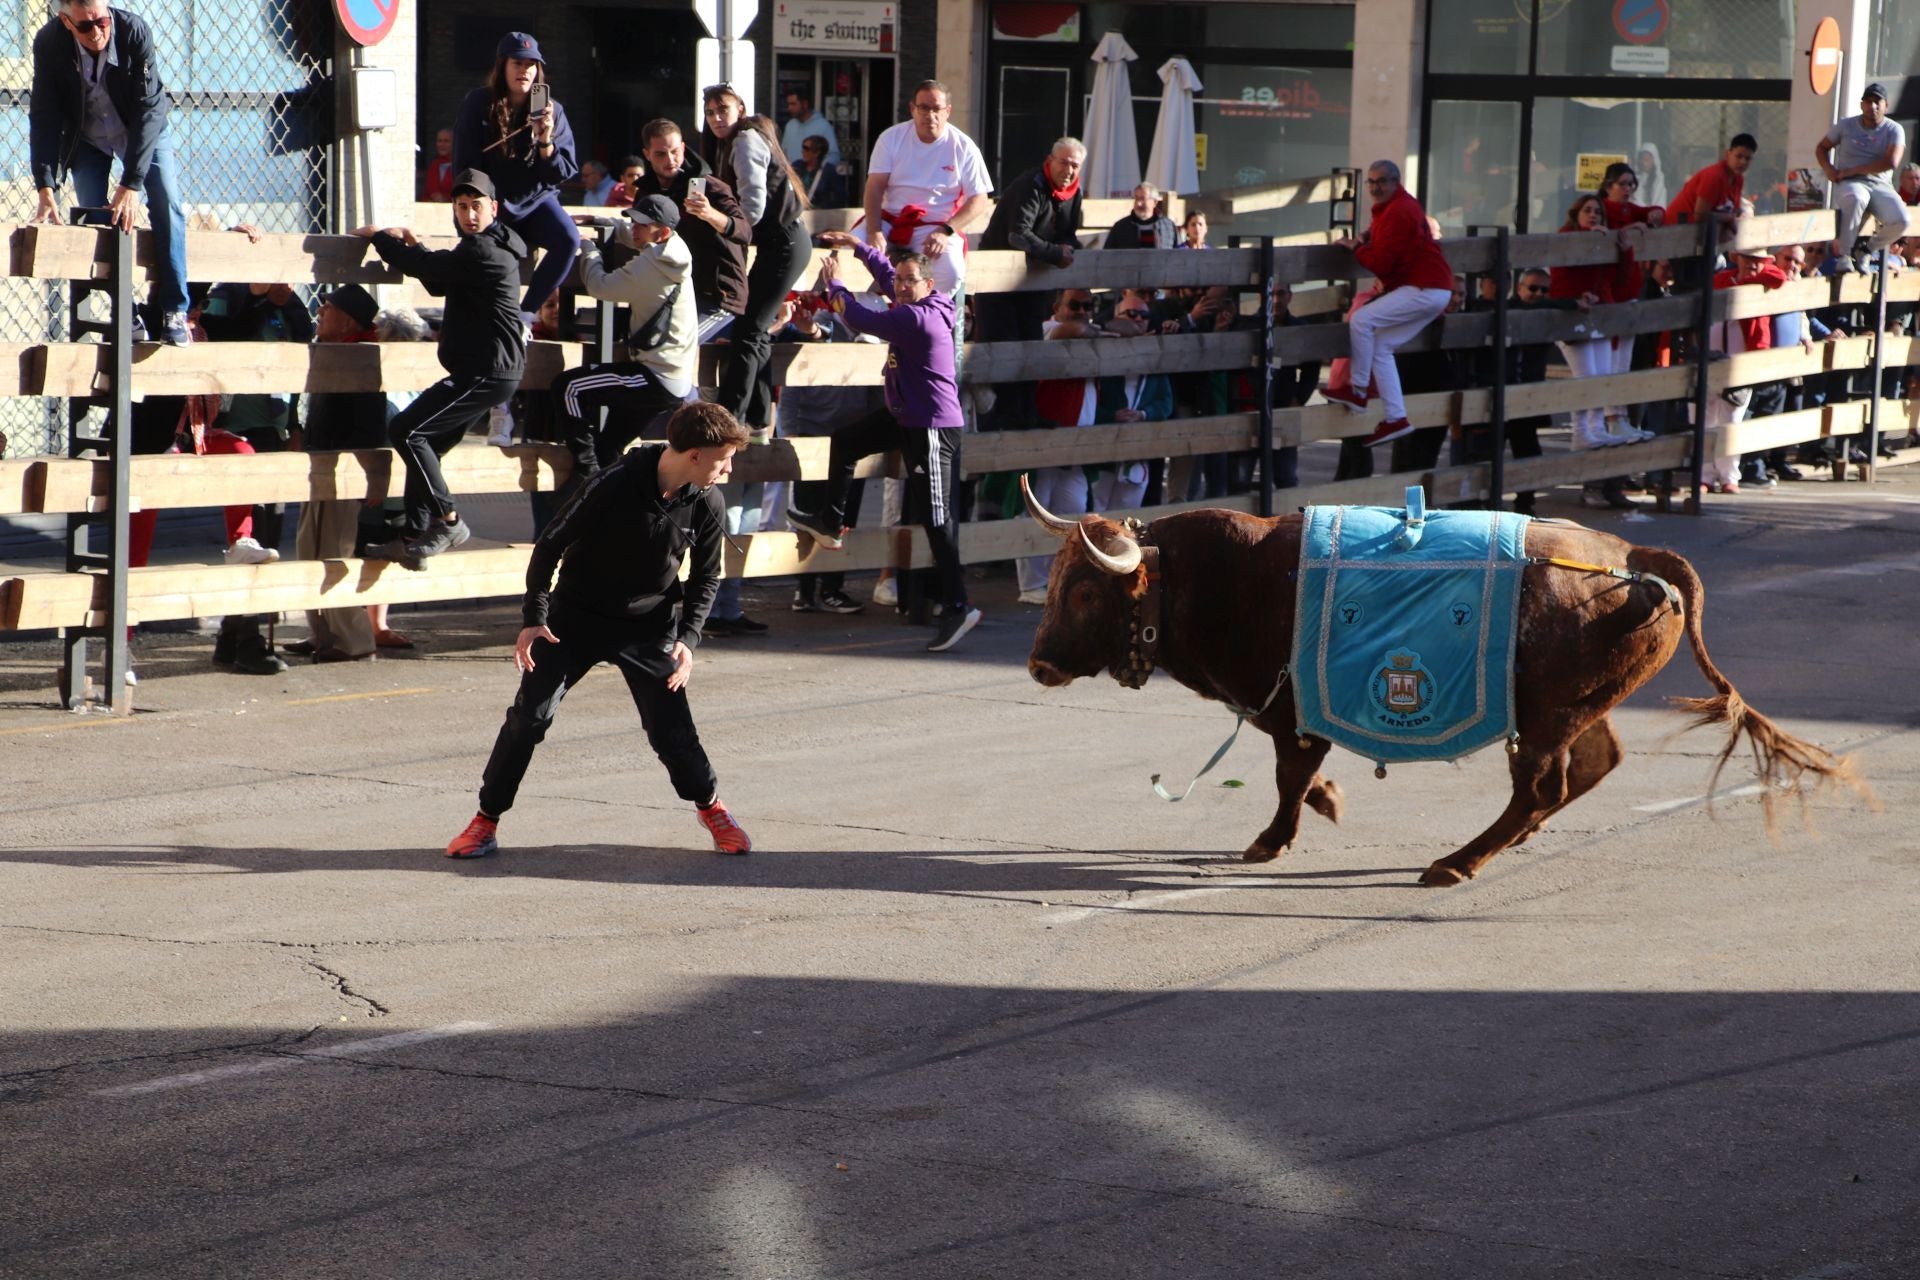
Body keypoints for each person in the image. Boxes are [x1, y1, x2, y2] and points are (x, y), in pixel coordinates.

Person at [444, 402, 756, 861]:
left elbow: (707, 576)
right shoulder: (612, 483)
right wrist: (535, 617)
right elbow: (550, 544)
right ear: (694, 455)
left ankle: (712, 808)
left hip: (649, 625)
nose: (728, 471)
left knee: (671, 730)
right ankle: (485, 820)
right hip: (576, 618)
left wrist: (687, 640)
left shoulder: (707, 499)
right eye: (723, 460)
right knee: (529, 718)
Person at [786, 232, 982, 653]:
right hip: (905, 416)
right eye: (900, 281)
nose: (902, 286)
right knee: (845, 441)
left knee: (937, 519)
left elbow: (859, 318)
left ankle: (958, 605)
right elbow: (889, 274)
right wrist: (859, 248)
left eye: (911, 281)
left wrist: (836, 284)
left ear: (929, 284)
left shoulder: (917, 318)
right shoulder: (917, 300)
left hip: (930, 427)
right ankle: (830, 522)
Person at [354, 168, 527, 567]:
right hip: (482, 371)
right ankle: (413, 535)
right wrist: (417, 247)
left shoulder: (483, 249)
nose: (469, 214)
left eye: (476, 206)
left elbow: (429, 269)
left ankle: (449, 521)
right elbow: (438, 280)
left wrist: (379, 237)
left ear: (494, 208)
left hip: (486, 372)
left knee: (407, 431)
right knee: (425, 443)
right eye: (462, 207)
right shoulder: (482, 247)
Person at [29, 0, 192, 345]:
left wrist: (131, 183)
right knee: (93, 214)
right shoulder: (49, 42)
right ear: (66, 22)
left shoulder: (134, 32)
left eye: (102, 21)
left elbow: (149, 108)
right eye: (85, 26)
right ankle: (125, 312)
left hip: (140, 131)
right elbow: (44, 114)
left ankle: (175, 309)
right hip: (88, 137)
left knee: (166, 201)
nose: (96, 32)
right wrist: (45, 184)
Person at [550, 194, 697, 488]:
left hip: (654, 377)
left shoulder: (650, 267)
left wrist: (589, 249)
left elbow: (599, 286)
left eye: (642, 224)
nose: (634, 228)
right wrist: (603, 222)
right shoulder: (676, 249)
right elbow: (638, 238)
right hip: (671, 380)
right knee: (609, 448)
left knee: (568, 387)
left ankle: (586, 471)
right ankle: (612, 497)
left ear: (662, 232)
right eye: (633, 221)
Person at [1321, 160, 1454, 450]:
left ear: (1396, 182)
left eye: (1381, 181)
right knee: (1381, 346)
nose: (1375, 187)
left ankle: (1357, 390)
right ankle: (1396, 417)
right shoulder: (1398, 205)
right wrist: (1367, 237)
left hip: (1423, 287)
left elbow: (1381, 263)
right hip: (1435, 290)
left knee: (1361, 320)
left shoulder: (1398, 211)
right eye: (1371, 182)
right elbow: (1383, 234)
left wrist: (1357, 247)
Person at [451, 32, 580, 328]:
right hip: (491, 203)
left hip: (535, 201)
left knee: (568, 238)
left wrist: (545, 140)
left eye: (530, 65)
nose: (524, 71)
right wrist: (479, 207)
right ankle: (486, 321)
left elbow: (561, 172)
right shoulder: (477, 103)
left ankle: (525, 314)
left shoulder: (552, 110)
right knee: (484, 258)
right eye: (517, 63)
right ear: (503, 67)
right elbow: (465, 166)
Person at [289, 284, 386, 663]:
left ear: (347, 321)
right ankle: (321, 634)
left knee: (333, 553)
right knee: (308, 550)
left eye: (327, 308)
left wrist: (373, 476)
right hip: (318, 465)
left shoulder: (361, 356)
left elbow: (370, 428)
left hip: (344, 471)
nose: (319, 313)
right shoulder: (329, 352)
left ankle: (353, 640)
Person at [199, 275, 315, 559]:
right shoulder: (228, 298)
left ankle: (267, 580)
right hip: (236, 423)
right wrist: (259, 301)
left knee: (273, 507)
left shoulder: (291, 310)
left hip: (275, 425)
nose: (286, 286)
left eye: (291, 281)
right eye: (278, 279)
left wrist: (294, 424)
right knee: (250, 508)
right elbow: (221, 344)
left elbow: (296, 367)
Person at [976, 137, 1085, 431]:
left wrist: (1071, 250)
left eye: (1075, 165)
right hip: (997, 282)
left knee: (1032, 348)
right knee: (1005, 349)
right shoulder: (1031, 186)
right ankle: (1005, 419)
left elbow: (1068, 233)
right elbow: (1018, 235)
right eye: (1064, 162)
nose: (1068, 170)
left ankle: (1028, 414)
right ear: (1050, 161)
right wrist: (1055, 253)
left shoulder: (1074, 193)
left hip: (1033, 283)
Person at [862, 79, 994, 304]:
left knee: (951, 271)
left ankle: (924, 315)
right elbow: (874, 187)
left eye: (936, 109)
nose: (929, 115)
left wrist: (946, 230)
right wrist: (874, 231)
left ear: (947, 111)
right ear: (912, 109)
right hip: (890, 220)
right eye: (923, 107)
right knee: (854, 250)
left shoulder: (964, 146)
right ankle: (866, 314)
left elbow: (979, 199)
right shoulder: (891, 138)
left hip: (936, 226)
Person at [632, 117, 751, 345]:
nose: (670, 160)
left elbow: (744, 231)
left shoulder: (709, 186)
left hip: (718, 297)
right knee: (641, 341)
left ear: (684, 148)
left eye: (675, 152)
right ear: (647, 154)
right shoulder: (646, 192)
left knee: (675, 344)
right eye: (660, 154)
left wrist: (710, 214)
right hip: (673, 292)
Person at [1019, 287, 1102, 603]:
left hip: (1078, 447)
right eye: (1074, 305)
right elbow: (1074, 330)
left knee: (1073, 512)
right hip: (1048, 442)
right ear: (1057, 307)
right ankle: (1031, 585)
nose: (1081, 311)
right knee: (1037, 511)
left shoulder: (1089, 335)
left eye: (1087, 305)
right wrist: (1102, 330)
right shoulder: (1050, 329)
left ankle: (1060, 579)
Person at [1551, 194, 1652, 451]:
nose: (1593, 215)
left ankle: (1597, 429)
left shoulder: (1605, 239)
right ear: (1576, 214)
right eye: (1587, 210)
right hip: (1575, 317)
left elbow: (1620, 279)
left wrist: (1624, 249)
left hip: (1600, 316)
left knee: (1603, 376)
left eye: (1597, 212)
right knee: (1586, 377)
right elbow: (1563, 278)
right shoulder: (1566, 236)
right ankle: (1580, 433)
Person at [1700, 249, 1788, 494]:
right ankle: (1705, 476)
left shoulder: (1764, 278)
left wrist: (1745, 282)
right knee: (1707, 418)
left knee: (1732, 418)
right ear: (1737, 258)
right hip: (1713, 354)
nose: (1753, 264)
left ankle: (1729, 476)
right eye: (1748, 258)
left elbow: (1778, 277)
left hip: (1742, 359)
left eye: (1759, 260)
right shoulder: (1722, 278)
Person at [1817, 83, 1908, 269]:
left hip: (1880, 184)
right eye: (1868, 101)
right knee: (1857, 198)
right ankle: (1844, 256)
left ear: (1886, 105)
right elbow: (1822, 147)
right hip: (1850, 183)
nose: (1872, 106)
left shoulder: (1894, 129)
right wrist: (1828, 169)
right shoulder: (1846, 125)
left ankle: (1867, 249)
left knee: (1902, 220)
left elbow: (1891, 162)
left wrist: (1853, 170)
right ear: (1861, 105)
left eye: (1877, 102)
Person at [1667, 133, 1754, 234]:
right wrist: (1728, 217)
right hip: (1673, 230)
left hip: (1698, 233)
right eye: (1738, 156)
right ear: (1727, 154)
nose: (1743, 162)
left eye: (1747, 158)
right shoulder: (1713, 176)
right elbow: (1700, 216)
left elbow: (1735, 211)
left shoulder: (1739, 179)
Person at [1105, 182, 1176, 250]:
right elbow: (1107, 254)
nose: (1138, 203)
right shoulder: (1120, 227)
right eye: (1136, 199)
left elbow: (1178, 252)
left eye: (1143, 199)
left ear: (1154, 202)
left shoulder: (1168, 226)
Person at [781, 88, 840, 167]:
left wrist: (818, 170)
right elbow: (783, 152)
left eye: (793, 104)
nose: (789, 108)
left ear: (805, 104)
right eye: (788, 104)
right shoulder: (790, 126)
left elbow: (833, 155)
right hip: (791, 173)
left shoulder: (823, 126)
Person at [796, 135, 849, 209]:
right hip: (797, 210)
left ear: (817, 153)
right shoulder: (797, 166)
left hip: (818, 213)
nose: (803, 152)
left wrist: (825, 207)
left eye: (806, 149)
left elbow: (841, 196)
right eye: (803, 148)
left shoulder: (828, 171)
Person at [422, 127, 456, 201]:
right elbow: (433, 192)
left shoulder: (458, 165)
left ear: (453, 143)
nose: (442, 144)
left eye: (446, 141)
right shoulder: (434, 165)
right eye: (439, 141)